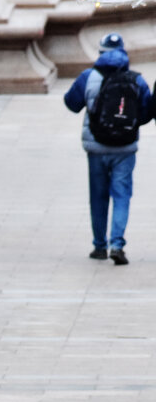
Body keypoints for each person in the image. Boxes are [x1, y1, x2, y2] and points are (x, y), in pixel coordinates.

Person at [63, 32, 153, 265]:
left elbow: (71, 103)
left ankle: (99, 246)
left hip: (96, 147)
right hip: (125, 148)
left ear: (101, 53)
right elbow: (145, 114)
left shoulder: (88, 77)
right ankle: (117, 244)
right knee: (122, 196)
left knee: (98, 196)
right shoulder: (137, 80)